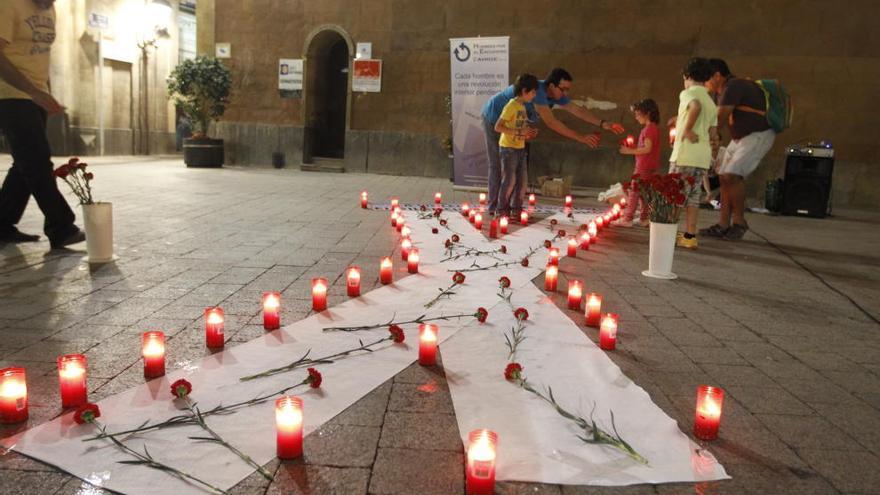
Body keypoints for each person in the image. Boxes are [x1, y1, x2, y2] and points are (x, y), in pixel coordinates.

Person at [481, 68, 625, 215]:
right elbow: (551, 122)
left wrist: (602, 123)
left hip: (516, 128)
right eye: (563, 89)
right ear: (551, 86)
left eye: (568, 90)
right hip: (494, 120)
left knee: (517, 171)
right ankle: (495, 207)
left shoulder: (555, 94)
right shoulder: (537, 92)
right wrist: (581, 138)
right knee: (498, 166)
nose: (565, 94)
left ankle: (513, 207)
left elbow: (576, 109)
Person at [0, 0, 84, 247]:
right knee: (37, 161)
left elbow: (40, 57)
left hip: (36, 95)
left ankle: (2, 224)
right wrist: (32, 91)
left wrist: (46, 93)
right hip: (10, 95)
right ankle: (61, 226)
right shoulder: (9, 4)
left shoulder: (49, 9)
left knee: (25, 164)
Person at [700, 58, 775, 240]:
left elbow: (718, 120)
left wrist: (698, 135)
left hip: (757, 135)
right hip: (741, 138)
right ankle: (723, 224)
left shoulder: (733, 86)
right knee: (724, 176)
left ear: (717, 75)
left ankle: (739, 222)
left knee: (732, 176)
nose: (705, 83)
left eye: (706, 78)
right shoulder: (725, 90)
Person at [668, 57, 717, 250]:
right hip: (701, 157)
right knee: (693, 197)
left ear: (687, 76)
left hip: (685, 154)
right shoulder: (711, 102)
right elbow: (713, 132)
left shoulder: (688, 93)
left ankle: (668, 231)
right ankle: (690, 235)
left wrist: (687, 129)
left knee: (675, 196)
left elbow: (694, 106)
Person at [494, 74, 538, 218]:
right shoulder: (511, 106)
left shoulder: (522, 107)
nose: (534, 95)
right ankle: (501, 209)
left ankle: (516, 208)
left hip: (520, 147)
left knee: (522, 181)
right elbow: (498, 127)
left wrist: (529, 132)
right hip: (508, 149)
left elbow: (522, 125)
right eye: (533, 92)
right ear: (524, 91)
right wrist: (518, 131)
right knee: (509, 180)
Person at [616, 98, 661, 227]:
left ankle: (627, 218)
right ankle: (644, 218)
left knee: (634, 191)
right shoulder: (654, 128)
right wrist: (634, 147)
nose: (636, 117)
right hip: (650, 166)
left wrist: (628, 151)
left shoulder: (648, 129)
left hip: (643, 167)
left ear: (646, 113)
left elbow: (647, 149)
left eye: (637, 113)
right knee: (644, 194)